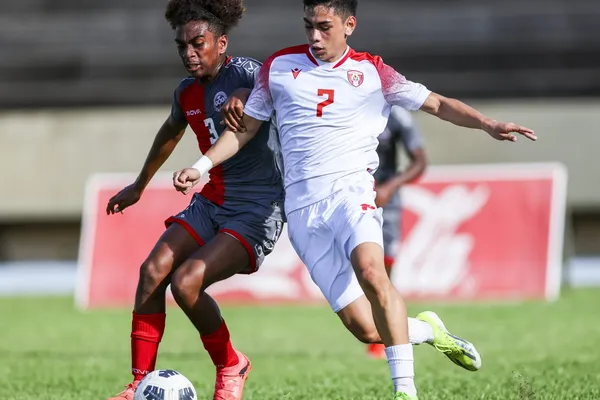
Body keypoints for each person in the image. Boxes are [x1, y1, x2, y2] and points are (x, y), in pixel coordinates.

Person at [174, 0, 537, 398]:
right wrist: (202, 165)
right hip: (302, 212)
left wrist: (488, 123)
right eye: (309, 25)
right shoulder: (278, 67)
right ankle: (429, 330)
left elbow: (436, 103)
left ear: (349, 25)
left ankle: (405, 391)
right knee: (365, 328)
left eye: (325, 27)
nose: (314, 36)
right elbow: (244, 130)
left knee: (371, 271)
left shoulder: (373, 72)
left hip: (351, 194)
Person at [105, 1, 285, 399]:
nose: (189, 53)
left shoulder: (247, 72)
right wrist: (139, 184)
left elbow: (262, 85)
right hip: (213, 200)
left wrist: (241, 92)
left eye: (198, 43)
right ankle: (139, 382)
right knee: (153, 272)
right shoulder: (186, 92)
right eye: (181, 45)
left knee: (186, 285)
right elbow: (171, 131)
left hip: (257, 210)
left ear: (221, 43)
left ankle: (230, 364)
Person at [367, 107, 428, 360]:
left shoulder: (396, 114)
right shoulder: (343, 99)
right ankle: (372, 330)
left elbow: (420, 161)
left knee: (381, 267)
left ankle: (382, 336)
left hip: (385, 199)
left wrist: (390, 187)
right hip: (348, 194)